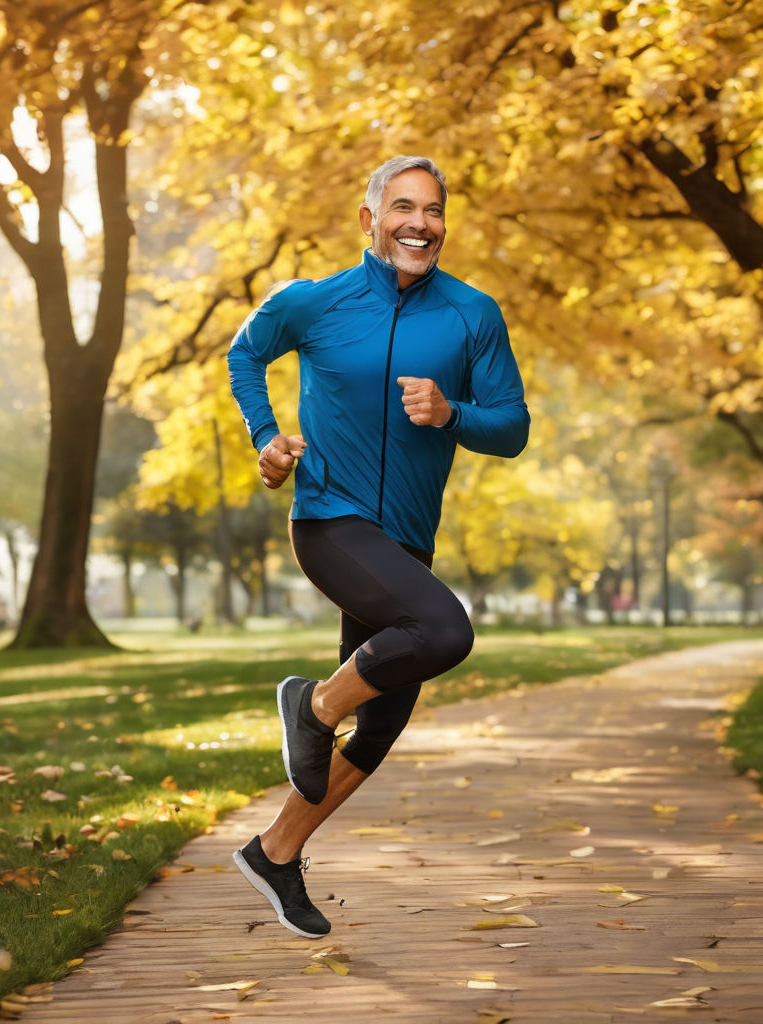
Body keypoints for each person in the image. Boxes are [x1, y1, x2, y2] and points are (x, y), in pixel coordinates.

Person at [226, 155, 529, 938]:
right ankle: (314, 702)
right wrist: (267, 438)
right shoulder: (314, 303)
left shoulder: (472, 315)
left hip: (406, 545)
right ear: (370, 220)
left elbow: (513, 425)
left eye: (432, 210)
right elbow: (244, 353)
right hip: (330, 520)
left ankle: (276, 850)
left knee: (386, 721)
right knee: (446, 632)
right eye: (402, 207)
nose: (418, 223)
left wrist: (452, 412)